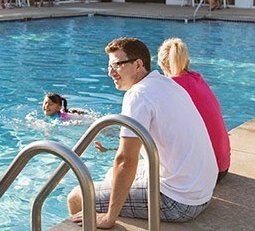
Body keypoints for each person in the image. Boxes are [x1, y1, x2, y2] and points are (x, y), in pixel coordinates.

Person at [68, 37, 217, 228]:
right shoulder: (167, 84)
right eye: (109, 66)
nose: (110, 72)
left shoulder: (138, 95)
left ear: (138, 64)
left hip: (179, 201)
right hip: (201, 191)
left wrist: (110, 217)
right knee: (110, 176)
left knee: (78, 196)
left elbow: (126, 160)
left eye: (116, 65)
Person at [158, 38, 230, 183]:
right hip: (222, 166)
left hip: (206, 173)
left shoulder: (172, 87)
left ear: (162, 65)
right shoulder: (197, 79)